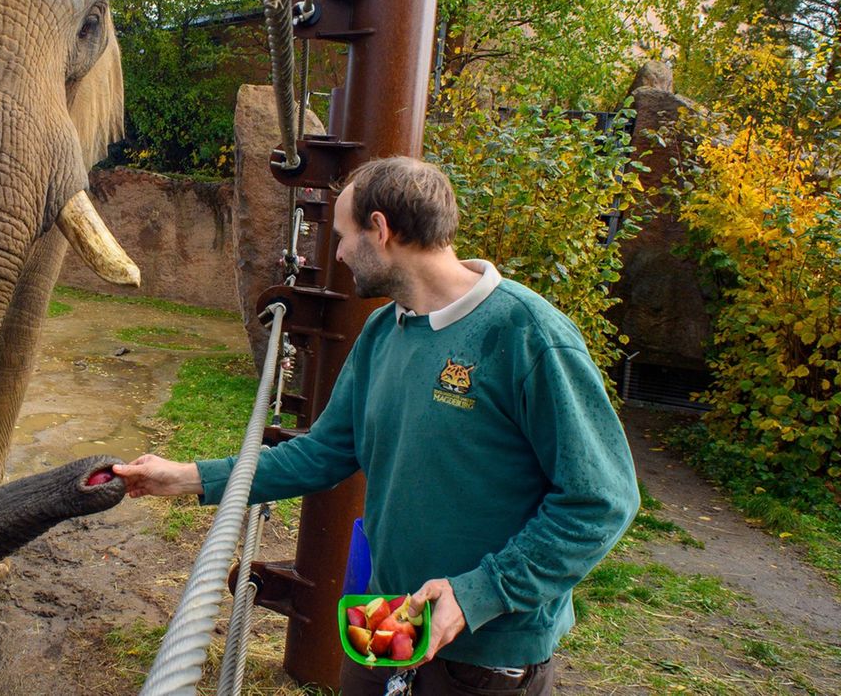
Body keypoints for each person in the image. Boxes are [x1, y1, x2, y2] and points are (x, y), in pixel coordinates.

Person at [112, 156, 640, 695]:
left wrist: (479, 592)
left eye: (342, 236)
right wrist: (186, 477)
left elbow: (601, 500)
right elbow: (324, 453)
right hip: (390, 622)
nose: (338, 252)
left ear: (381, 230)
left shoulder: (529, 335)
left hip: (485, 654)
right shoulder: (384, 331)